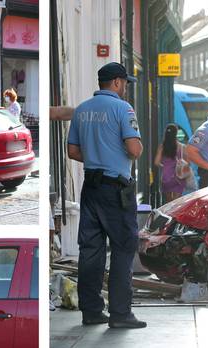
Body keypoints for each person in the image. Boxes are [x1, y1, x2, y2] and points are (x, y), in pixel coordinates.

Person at [67, 62, 146, 329]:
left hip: (90, 187)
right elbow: (134, 149)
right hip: (115, 189)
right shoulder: (123, 109)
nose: (125, 88)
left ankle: (91, 310)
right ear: (116, 82)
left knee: (90, 250)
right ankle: (121, 313)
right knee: (124, 248)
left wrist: (98, 154)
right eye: (124, 83)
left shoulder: (82, 109)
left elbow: (73, 152)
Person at [154, 123, 186, 202]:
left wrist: (164, 166)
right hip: (179, 177)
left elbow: (156, 162)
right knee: (177, 204)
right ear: (176, 133)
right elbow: (187, 162)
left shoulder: (162, 147)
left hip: (166, 178)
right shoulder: (182, 147)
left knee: (169, 204)